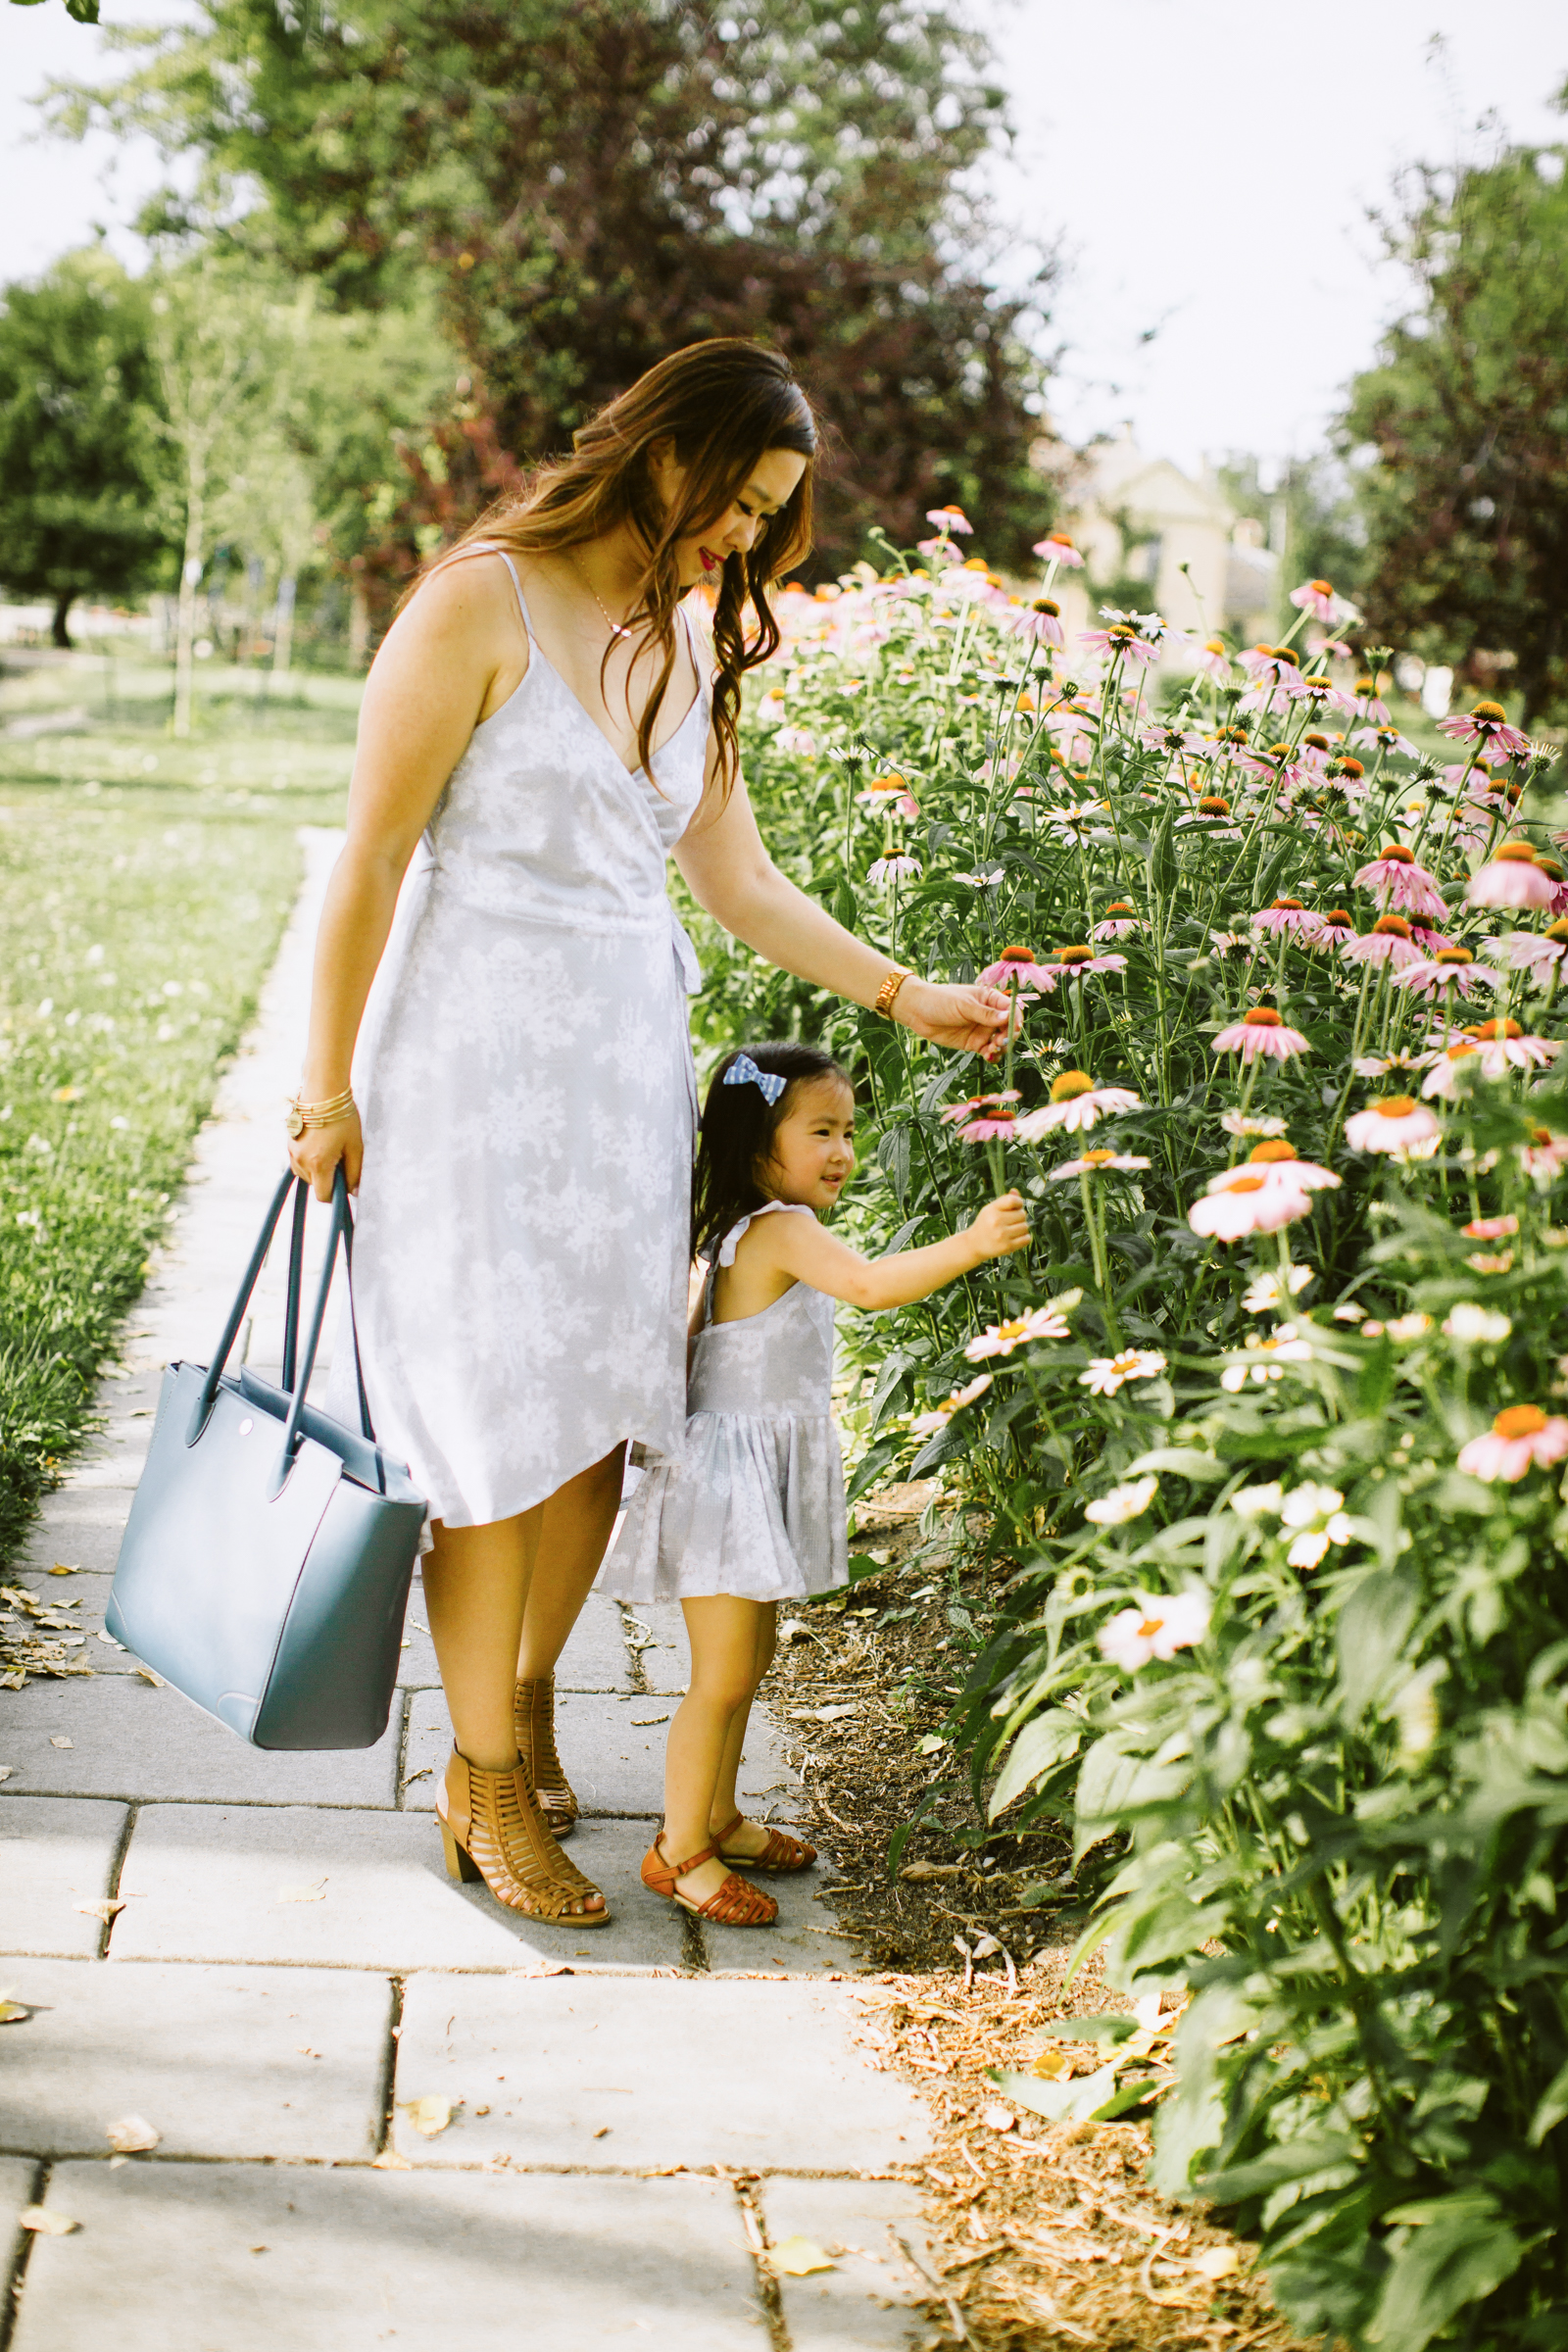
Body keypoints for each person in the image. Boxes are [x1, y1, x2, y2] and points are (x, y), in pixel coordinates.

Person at [285, 338, 1015, 1930]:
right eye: (737, 502)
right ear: (661, 450)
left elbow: (736, 883)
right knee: (486, 1433)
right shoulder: (478, 602)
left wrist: (909, 996)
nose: (742, 542)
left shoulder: (688, 638)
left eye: (768, 519)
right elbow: (368, 860)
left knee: (601, 1420)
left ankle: (524, 1698)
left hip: (621, 1081)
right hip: (468, 1075)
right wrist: (326, 1088)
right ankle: (478, 1778)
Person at [599, 1041, 1029, 1927]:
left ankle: (716, 1815)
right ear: (761, 1145)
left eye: (850, 1131)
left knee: (747, 1662)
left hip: (741, 1472)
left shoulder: (746, 1226)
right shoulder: (780, 1229)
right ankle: (678, 1850)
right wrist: (975, 1243)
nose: (844, 1151)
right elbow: (870, 1287)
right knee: (720, 1676)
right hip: (729, 1480)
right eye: (822, 1131)